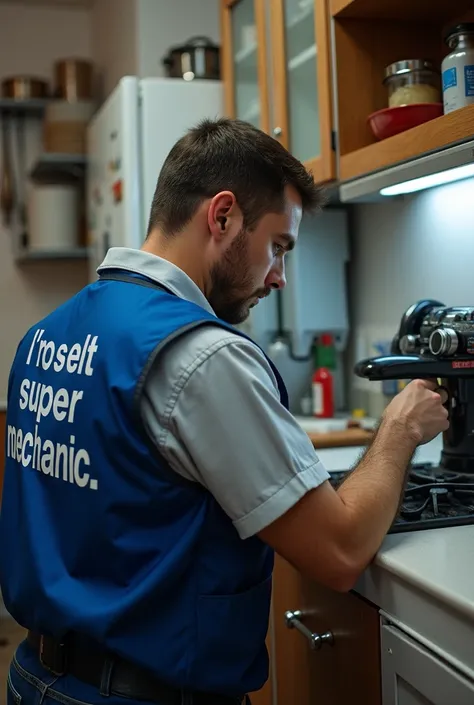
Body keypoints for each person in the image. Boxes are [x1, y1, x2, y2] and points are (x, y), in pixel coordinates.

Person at [1, 118, 448, 705]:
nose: (280, 277)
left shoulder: (46, 334)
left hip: (37, 677)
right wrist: (399, 428)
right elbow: (339, 553)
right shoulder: (201, 356)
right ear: (223, 216)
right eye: (278, 246)